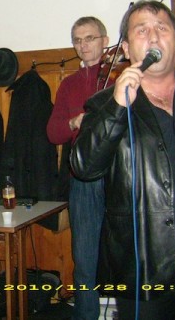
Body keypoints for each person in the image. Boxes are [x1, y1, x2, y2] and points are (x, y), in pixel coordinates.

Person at [70, 0, 175, 319]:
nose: (153, 36)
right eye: (141, 30)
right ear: (127, 49)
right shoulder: (104, 106)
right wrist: (117, 108)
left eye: (162, 28)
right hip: (144, 273)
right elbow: (84, 167)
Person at [46, 17, 110, 320]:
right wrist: (74, 121)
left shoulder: (118, 78)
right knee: (84, 257)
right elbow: (53, 133)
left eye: (90, 38)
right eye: (77, 40)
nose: (83, 45)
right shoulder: (68, 85)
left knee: (129, 252)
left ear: (105, 41)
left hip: (120, 176)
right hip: (83, 179)